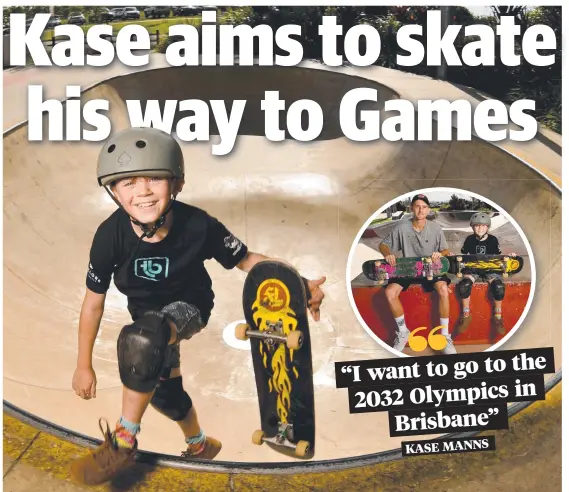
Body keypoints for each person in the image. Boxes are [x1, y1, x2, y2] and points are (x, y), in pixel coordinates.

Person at [69, 127, 326, 486]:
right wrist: (84, 365)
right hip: (148, 321)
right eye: (128, 183)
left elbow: (248, 259)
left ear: (177, 184)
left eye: (155, 180)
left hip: (190, 308)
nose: (142, 192)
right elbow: (93, 304)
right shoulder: (109, 237)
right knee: (165, 395)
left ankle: (124, 440)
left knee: (143, 339)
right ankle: (199, 442)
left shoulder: (198, 225)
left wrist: (296, 282)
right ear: (113, 191)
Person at [379, 194, 456, 355]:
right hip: (409, 269)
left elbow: (446, 250)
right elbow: (383, 244)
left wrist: (439, 254)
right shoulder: (401, 227)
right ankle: (402, 332)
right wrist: (388, 254)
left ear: (428, 209)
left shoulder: (435, 228)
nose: (421, 210)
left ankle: (445, 336)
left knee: (442, 288)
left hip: (431, 268)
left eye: (424, 207)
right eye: (417, 206)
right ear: (412, 208)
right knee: (389, 292)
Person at [454, 212, 505, 337]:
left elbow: (499, 257)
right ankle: (466, 316)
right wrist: (455, 258)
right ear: (472, 227)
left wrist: (512, 257)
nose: (480, 228)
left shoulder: (493, 240)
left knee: (498, 287)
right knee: (464, 285)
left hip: (490, 270)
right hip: (473, 269)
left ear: (487, 227)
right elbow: (464, 257)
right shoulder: (469, 240)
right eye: (477, 226)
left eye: (483, 226)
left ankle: (497, 317)